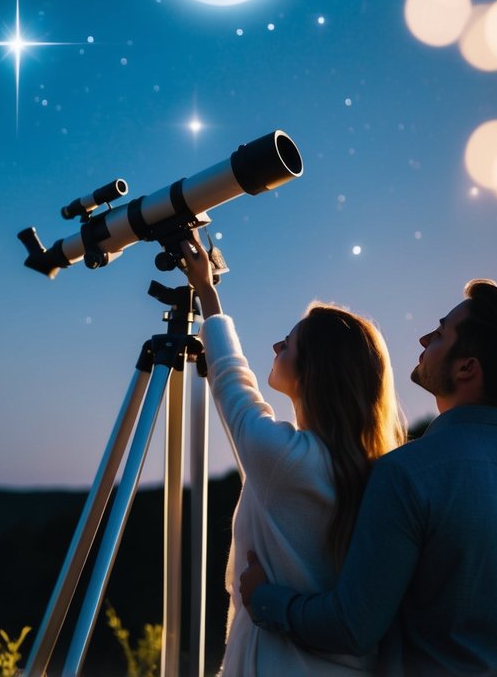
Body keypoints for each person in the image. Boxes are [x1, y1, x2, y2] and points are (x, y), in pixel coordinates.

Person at [241, 279, 497, 677]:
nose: (423, 338)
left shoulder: (407, 474)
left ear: (466, 367)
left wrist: (263, 599)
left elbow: (353, 627)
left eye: (439, 335)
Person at [179, 231, 406, 676]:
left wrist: (206, 291)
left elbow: (231, 380)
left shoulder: (286, 459)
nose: (276, 347)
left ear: (314, 371)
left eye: (288, 343)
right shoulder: (376, 468)